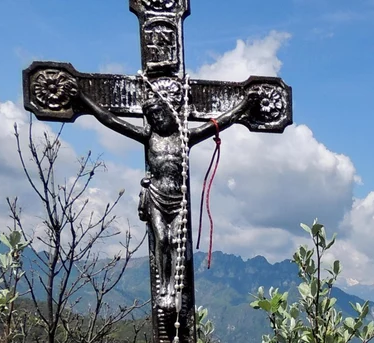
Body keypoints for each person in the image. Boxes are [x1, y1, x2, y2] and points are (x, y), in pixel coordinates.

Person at [74, 77, 259, 311]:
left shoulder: (184, 138)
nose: (157, 120)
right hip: (156, 195)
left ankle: (175, 288)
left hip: (178, 198)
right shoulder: (149, 137)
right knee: (162, 240)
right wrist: (82, 99)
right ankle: (165, 287)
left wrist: (244, 106)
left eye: (160, 115)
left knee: (177, 242)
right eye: (153, 118)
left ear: (170, 112)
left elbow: (219, 122)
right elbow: (111, 120)